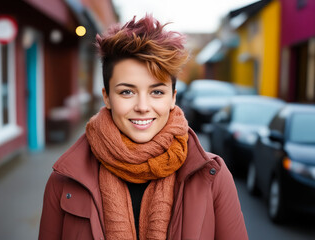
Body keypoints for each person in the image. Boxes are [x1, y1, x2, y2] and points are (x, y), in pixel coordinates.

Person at [39, 15, 248, 240]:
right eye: (126, 92)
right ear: (107, 97)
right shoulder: (64, 181)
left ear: (173, 98)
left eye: (157, 92)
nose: (142, 107)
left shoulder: (212, 176)